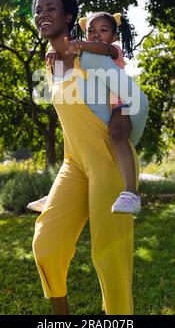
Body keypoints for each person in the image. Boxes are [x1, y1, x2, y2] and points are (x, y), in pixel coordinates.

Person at [31, 0, 149, 315]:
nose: (42, 15)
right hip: (75, 166)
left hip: (108, 163)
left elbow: (138, 100)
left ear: (69, 17)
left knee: (108, 257)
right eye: (38, 10)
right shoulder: (51, 62)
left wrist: (124, 135)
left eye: (50, 8)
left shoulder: (92, 59)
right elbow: (71, 123)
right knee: (46, 245)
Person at [28, 11, 141, 214]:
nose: (96, 35)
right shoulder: (84, 54)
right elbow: (66, 57)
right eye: (91, 31)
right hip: (92, 108)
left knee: (117, 134)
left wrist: (81, 44)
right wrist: (53, 51)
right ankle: (56, 195)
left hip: (119, 105)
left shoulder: (113, 49)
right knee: (72, 138)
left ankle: (131, 193)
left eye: (103, 30)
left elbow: (102, 49)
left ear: (114, 36)